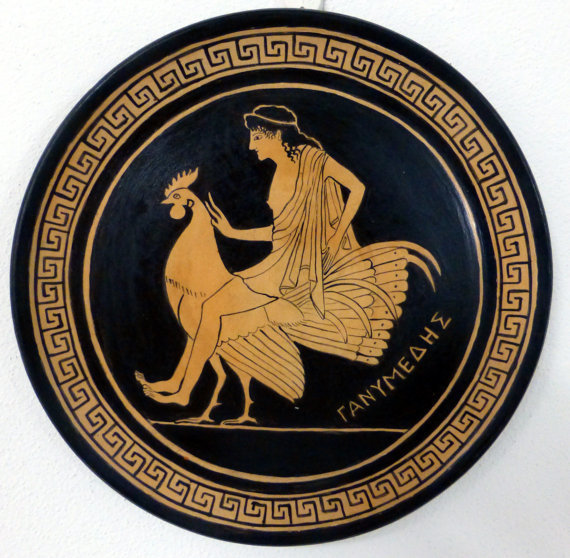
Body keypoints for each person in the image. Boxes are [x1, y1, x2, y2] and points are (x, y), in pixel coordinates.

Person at [144, 105, 367, 405]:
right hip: (277, 263)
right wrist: (234, 233)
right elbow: (282, 232)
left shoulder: (312, 160)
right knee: (207, 311)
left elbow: (357, 187)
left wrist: (337, 234)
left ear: (276, 134)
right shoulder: (280, 171)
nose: (251, 145)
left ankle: (183, 392)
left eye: (257, 138)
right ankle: (178, 385)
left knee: (210, 310)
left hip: (295, 271)